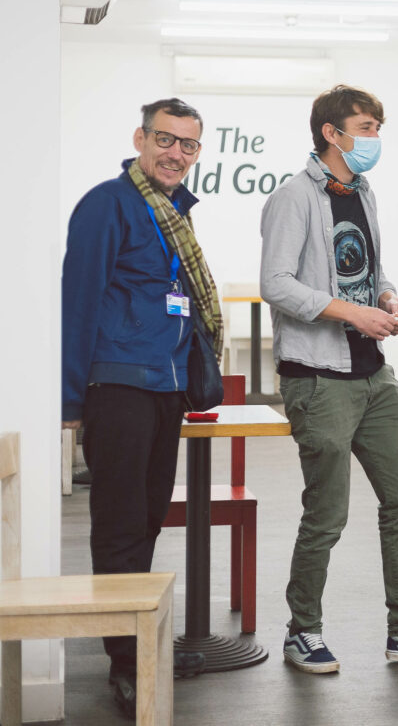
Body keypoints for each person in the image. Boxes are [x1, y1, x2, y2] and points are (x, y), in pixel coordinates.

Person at [260, 84, 398, 673]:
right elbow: (276, 283)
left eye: (379, 128)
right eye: (366, 127)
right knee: (326, 514)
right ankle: (303, 631)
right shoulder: (291, 197)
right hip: (319, 379)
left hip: (375, 375)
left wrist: (387, 296)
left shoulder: (362, 192)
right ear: (333, 133)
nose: (374, 138)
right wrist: (351, 312)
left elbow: (368, 269)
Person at [61, 97, 219, 715]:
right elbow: (78, 303)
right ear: (141, 138)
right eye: (165, 139)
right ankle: (125, 663)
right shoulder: (108, 204)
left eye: (188, 144)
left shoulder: (175, 213)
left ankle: (139, 639)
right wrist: (72, 402)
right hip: (119, 389)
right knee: (122, 526)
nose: (176, 153)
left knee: (150, 519)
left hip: (166, 389)